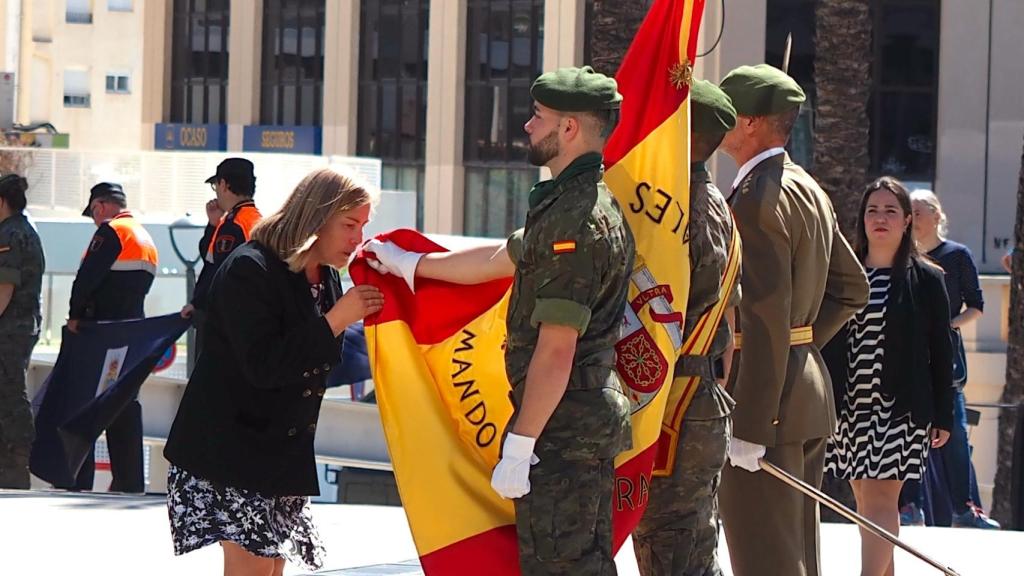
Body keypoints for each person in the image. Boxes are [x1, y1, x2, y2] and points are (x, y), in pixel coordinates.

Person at [367, 65, 634, 575]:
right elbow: (502, 258)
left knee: (563, 567)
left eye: (538, 117)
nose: (527, 127)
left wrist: (523, 441)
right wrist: (413, 266)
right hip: (574, 421)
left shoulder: (574, 220)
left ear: (569, 129)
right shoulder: (570, 205)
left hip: (563, 429)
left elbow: (557, 348)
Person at [163, 167, 384, 575]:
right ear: (316, 216)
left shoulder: (324, 274)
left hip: (279, 457)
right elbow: (264, 365)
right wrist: (336, 320)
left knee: (270, 570)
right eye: (350, 225)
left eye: (363, 226)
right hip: (231, 451)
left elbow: (314, 360)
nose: (358, 239)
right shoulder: (252, 268)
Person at [715, 64, 870, 576]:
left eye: (727, 113)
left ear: (753, 122)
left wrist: (751, 423)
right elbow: (851, 288)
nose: (717, 122)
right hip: (802, 390)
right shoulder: (806, 187)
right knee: (795, 556)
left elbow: (762, 318)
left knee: (767, 561)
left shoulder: (757, 201)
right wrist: (799, 346)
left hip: (768, 404)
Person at [632, 79, 741, 576]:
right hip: (700, 392)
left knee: (669, 547)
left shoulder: (676, 209)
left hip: (675, 396)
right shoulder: (716, 203)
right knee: (692, 544)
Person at [822, 176, 955, 575]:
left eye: (890, 211)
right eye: (872, 210)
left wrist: (943, 415)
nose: (880, 218)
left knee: (880, 503)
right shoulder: (843, 275)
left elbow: (941, 350)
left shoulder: (926, 279)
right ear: (862, 219)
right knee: (866, 507)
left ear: (907, 221)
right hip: (849, 410)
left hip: (900, 411)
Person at [902, 188, 999, 529]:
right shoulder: (903, 257)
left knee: (955, 432)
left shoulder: (958, 256)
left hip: (947, 361)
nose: (913, 216)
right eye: (909, 210)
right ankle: (910, 507)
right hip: (910, 359)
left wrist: (947, 325)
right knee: (909, 432)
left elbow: (976, 305)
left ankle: (964, 509)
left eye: (919, 209)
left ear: (937, 215)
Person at [68, 182, 158, 493]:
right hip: (132, 333)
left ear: (101, 206)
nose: (94, 220)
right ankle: (129, 480)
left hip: (101, 332)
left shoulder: (111, 231)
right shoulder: (145, 238)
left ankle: (76, 480)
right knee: (123, 403)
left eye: (93, 212)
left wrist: (74, 316)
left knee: (86, 403)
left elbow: (87, 279)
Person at [180, 158, 262, 353]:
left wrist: (196, 304)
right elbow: (210, 254)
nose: (216, 192)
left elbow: (219, 271)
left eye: (216, 186)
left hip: (224, 323)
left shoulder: (233, 225)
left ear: (224, 184)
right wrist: (213, 224)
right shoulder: (256, 220)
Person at [0, 174, 45, 489]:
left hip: (10, 327)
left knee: (11, 391)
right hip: (20, 325)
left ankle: (16, 463)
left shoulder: (11, 234)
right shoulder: (24, 230)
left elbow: (4, 287)